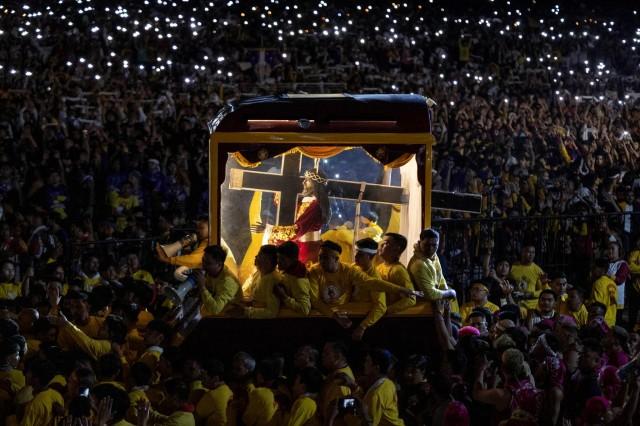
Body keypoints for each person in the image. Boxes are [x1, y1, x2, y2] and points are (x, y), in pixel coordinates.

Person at [308, 241, 420, 329]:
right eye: (320, 257)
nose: (321, 261)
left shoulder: (349, 270)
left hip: (349, 317)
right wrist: (334, 315)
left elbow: (371, 283)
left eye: (325, 257)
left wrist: (401, 289)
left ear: (337, 259)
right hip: (323, 316)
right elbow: (314, 300)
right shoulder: (314, 271)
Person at [269, 169, 331, 264]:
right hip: (301, 245)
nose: (303, 182)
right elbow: (296, 210)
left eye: (307, 180)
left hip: (307, 250)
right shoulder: (308, 202)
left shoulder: (315, 206)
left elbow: (297, 230)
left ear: (315, 184)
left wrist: (271, 230)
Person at [156, 216, 238, 279]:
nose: (197, 231)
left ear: (211, 228)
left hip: (226, 280)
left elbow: (195, 260)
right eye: (197, 228)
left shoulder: (211, 242)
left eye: (202, 228)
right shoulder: (210, 240)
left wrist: (168, 260)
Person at [407, 229, 457, 306]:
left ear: (438, 244)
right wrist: (450, 293)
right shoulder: (419, 264)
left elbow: (441, 278)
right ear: (420, 243)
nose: (430, 249)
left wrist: (446, 290)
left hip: (433, 301)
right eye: (426, 245)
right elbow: (430, 295)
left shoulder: (432, 255)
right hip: (422, 305)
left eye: (434, 245)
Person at [352, 238, 387, 341]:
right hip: (352, 317)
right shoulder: (355, 268)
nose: (356, 256)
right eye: (356, 253)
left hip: (364, 320)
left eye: (360, 254)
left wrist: (362, 327)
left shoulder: (374, 277)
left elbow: (381, 307)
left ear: (369, 256)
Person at [194, 245, 241, 317]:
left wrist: (202, 287)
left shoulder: (228, 282)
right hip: (211, 313)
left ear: (219, 264)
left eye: (208, 263)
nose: (203, 265)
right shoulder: (211, 271)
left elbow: (215, 309)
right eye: (203, 260)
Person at [361, 348, 404, 426]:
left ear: (376, 368)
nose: (364, 364)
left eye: (367, 361)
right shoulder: (388, 383)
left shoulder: (377, 393)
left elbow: (370, 424)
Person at [376, 233, 416, 314]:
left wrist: (387, 311)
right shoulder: (380, 267)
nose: (381, 245)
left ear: (397, 249)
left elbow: (411, 298)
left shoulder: (398, 270)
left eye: (386, 243)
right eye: (382, 242)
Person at [239, 245, 281, 319]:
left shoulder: (273, 280)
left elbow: (271, 313)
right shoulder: (258, 273)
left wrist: (245, 311)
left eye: (259, 255)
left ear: (267, 261)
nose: (255, 257)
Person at [274, 242, 311, 316]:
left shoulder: (298, 280)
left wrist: (284, 297)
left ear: (293, 260)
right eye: (278, 257)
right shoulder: (289, 271)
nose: (278, 261)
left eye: (282, 259)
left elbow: (304, 309)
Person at [509, 245, 546, 310]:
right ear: (522, 253)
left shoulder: (538, 270)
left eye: (533, 252)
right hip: (516, 304)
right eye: (528, 252)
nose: (531, 254)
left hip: (532, 307)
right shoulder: (512, 268)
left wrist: (530, 294)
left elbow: (542, 291)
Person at [590, 258, 618, 327]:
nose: (592, 270)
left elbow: (597, 306)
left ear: (602, 269)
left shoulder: (598, 283)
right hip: (612, 321)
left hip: (601, 323)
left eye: (594, 268)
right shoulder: (613, 283)